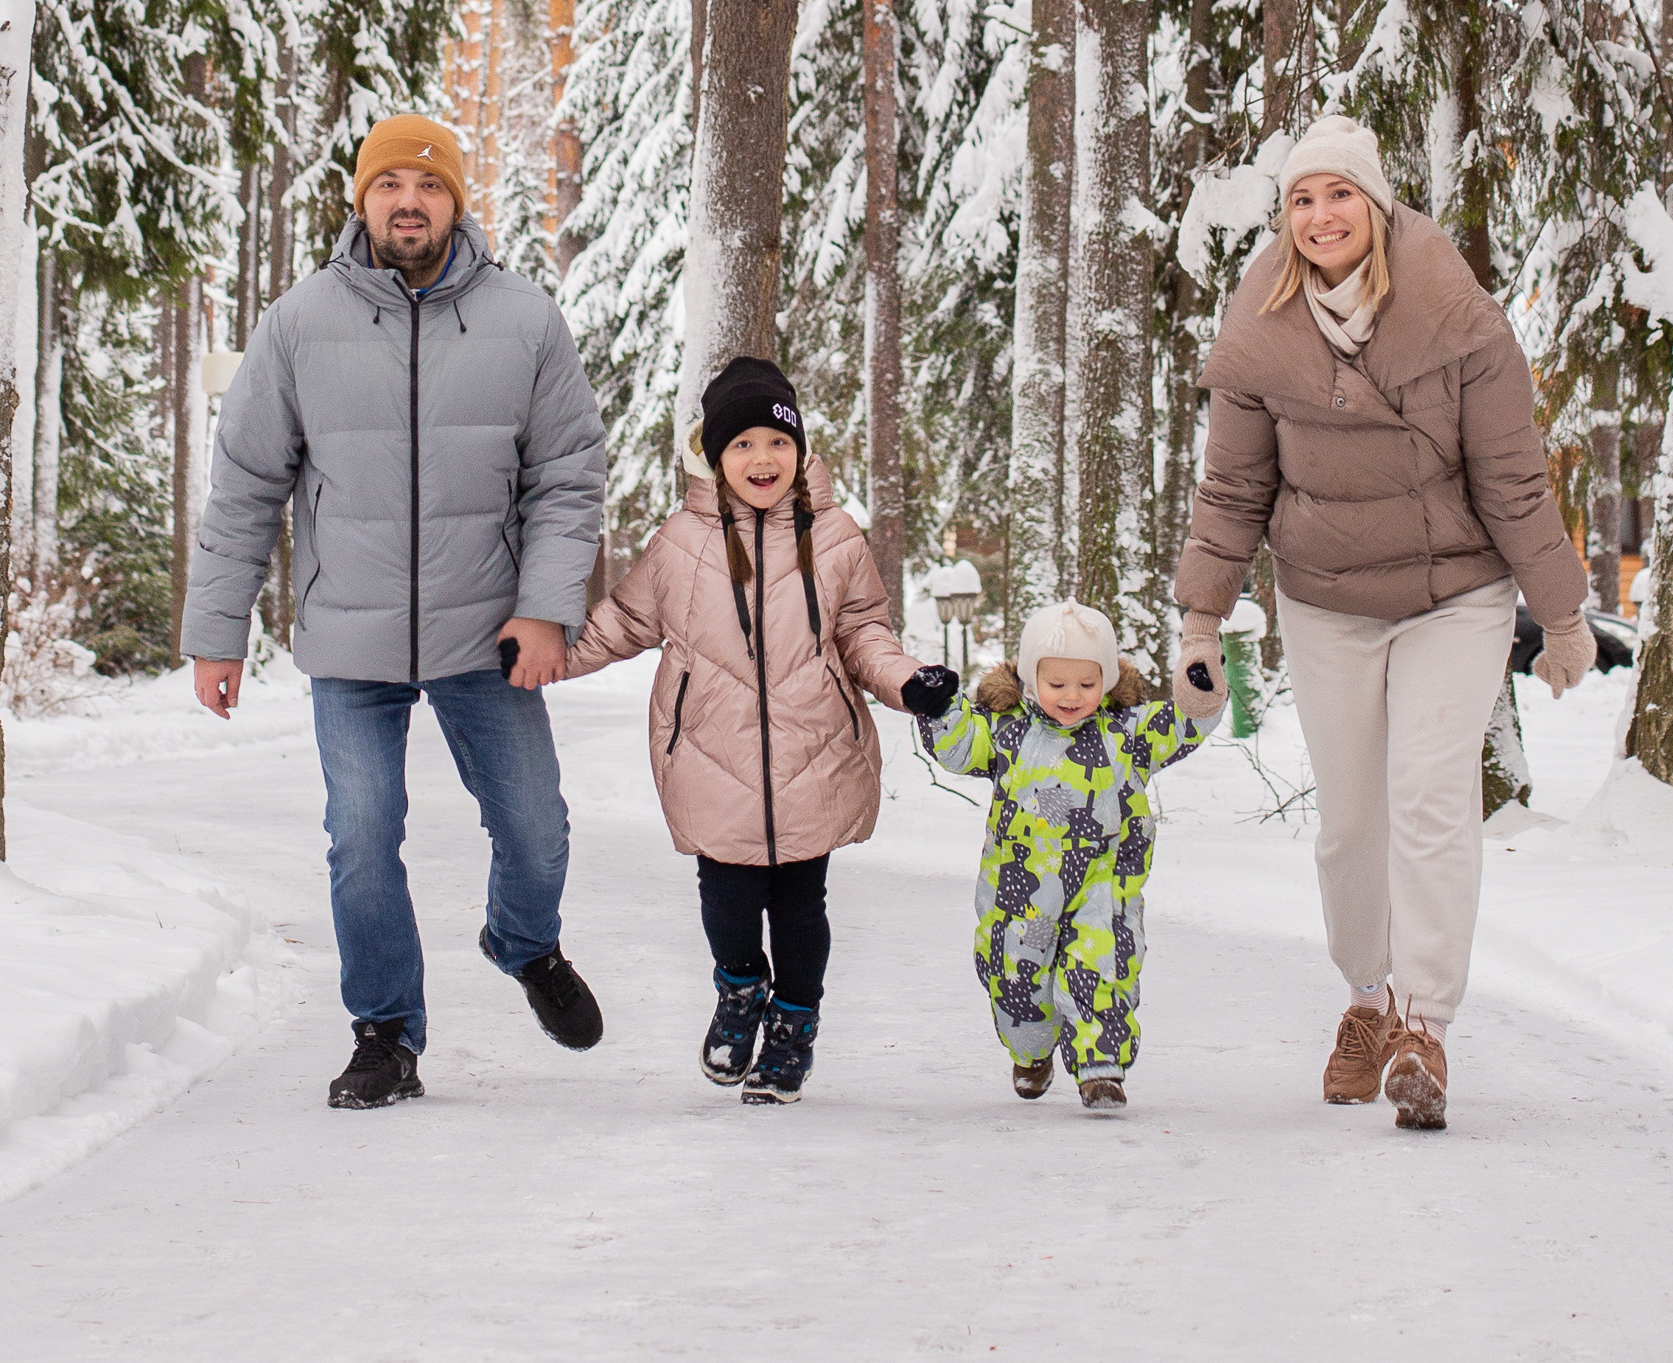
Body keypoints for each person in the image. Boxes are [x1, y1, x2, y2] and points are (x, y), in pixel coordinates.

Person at [1171, 113, 1596, 1133]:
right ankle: (1364, 1000)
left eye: (1339, 194)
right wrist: (1198, 622)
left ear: (1377, 202)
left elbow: (1509, 478)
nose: (1319, 215)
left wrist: (1563, 610)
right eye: (1301, 199)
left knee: (1428, 800)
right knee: (1351, 818)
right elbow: (1231, 488)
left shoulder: (1458, 316)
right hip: (1324, 598)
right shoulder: (1260, 323)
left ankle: (1422, 1023)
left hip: (1454, 593)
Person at [182, 113, 609, 1111]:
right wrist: (217, 633)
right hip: (351, 631)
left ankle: (522, 941)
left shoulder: (525, 319)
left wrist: (547, 608)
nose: (406, 201)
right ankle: (384, 1031)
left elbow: (568, 477)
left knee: (536, 827)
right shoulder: (297, 323)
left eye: (426, 185)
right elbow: (244, 485)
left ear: (456, 202)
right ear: (360, 198)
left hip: (486, 630)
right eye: (388, 185)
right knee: (362, 832)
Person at [558, 355, 956, 1105]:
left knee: (803, 903)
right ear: (712, 456)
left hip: (815, 751)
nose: (760, 459)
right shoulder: (681, 542)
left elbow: (864, 631)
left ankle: (794, 1025)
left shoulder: (835, 536)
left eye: (774, 442)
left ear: (799, 449)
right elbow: (621, 622)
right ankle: (741, 992)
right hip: (711, 752)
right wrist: (542, 656)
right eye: (739, 445)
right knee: (728, 900)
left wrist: (907, 682)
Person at [917, 596, 1203, 1113]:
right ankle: (1031, 1052)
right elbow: (960, 747)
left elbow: (1182, 724)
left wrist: (1202, 689)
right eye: (1057, 684)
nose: (1072, 696)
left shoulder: (1126, 733)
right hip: (1019, 887)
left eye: (1088, 684)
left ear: (1108, 682)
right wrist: (940, 708)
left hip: (1103, 881)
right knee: (1016, 977)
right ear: (1030, 680)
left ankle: (1101, 1067)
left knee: (1102, 963)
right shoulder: (1008, 731)